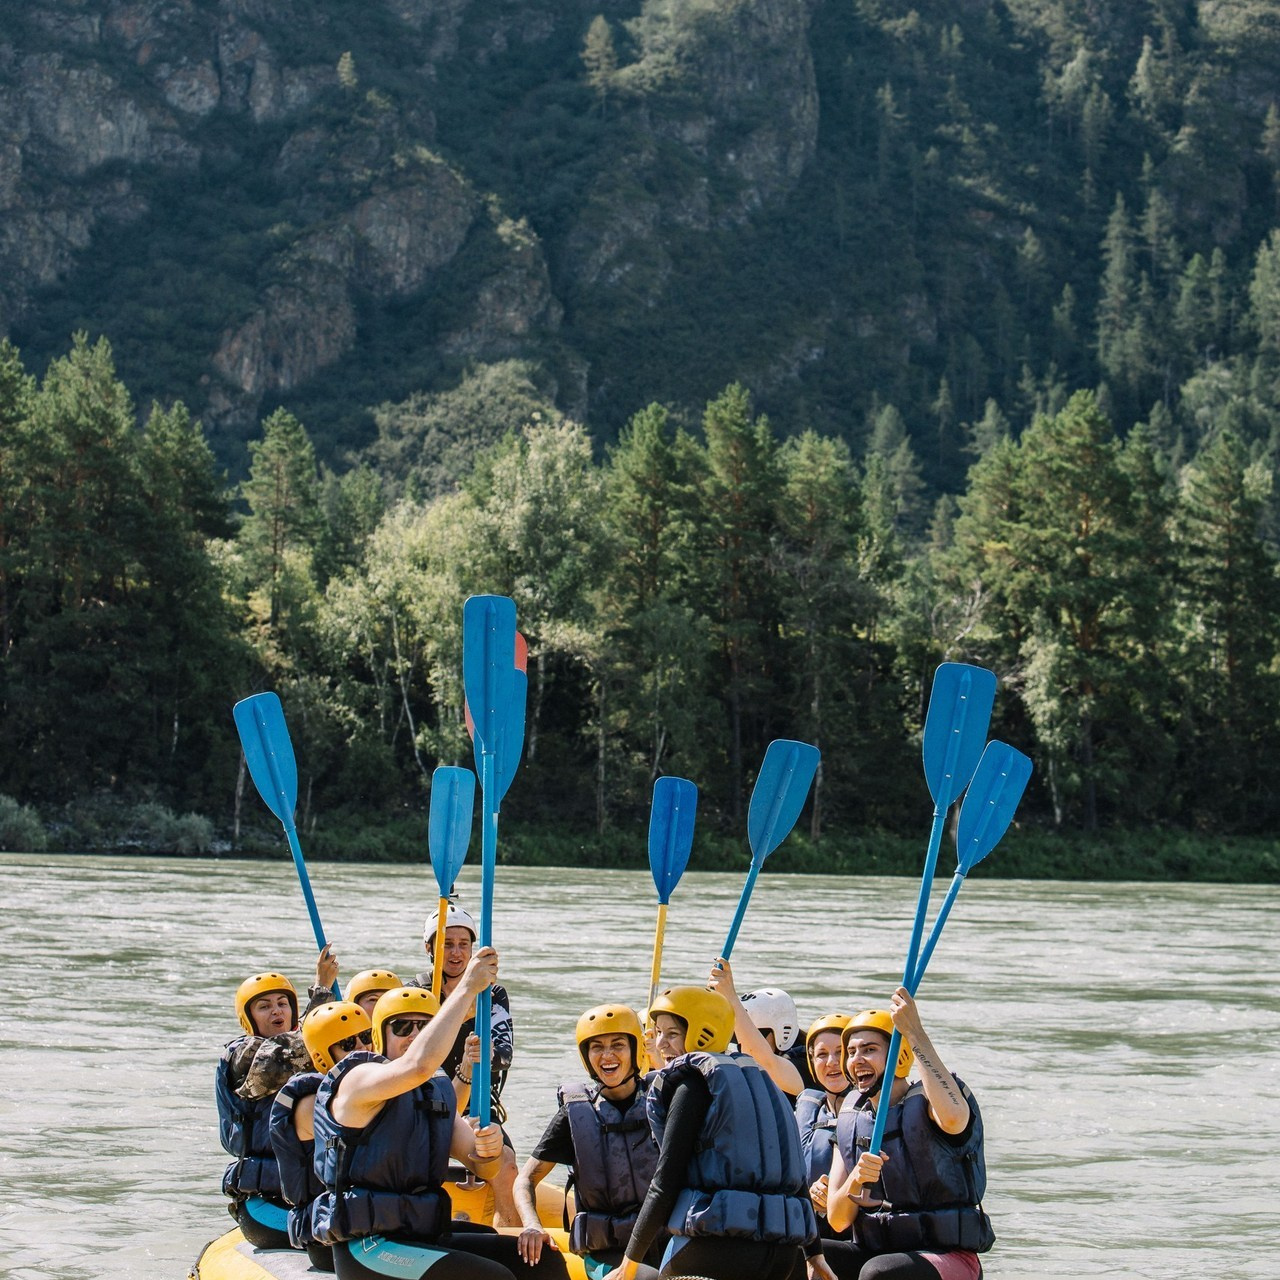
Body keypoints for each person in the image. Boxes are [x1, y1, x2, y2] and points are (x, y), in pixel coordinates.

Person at [310, 962, 527, 1280]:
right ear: (379, 1033)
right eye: (402, 1027)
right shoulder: (358, 1079)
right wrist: (466, 987)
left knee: (536, 1260)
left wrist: (489, 1148)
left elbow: (484, 1167)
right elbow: (419, 1065)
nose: (414, 1035)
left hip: (419, 1237)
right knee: (494, 1277)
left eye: (424, 1028)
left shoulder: (435, 1094)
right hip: (367, 1246)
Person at [603, 986, 829, 1280]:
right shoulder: (764, 1082)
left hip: (718, 1251)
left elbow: (665, 1181)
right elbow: (793, 1175)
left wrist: (629, 1262)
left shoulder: (692, 1086)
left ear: (702, 1032)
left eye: (671, 1034)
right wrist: (814, 1254)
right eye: (657, 1032)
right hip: (782, 1256)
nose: (660, 1043)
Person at [822, 993, 993, 1280]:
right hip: (880, 1254)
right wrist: (857, 1177)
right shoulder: (851, 1119)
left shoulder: (930, 1103)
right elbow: (838, 1220)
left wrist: (914, 1032)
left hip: (946, 1256)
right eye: (851, 1052)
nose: (857, 1060)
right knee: (803, 1252)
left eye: (869, 1050)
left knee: (878, 1274)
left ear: (898, 1057)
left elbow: (954, 1117)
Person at [513, 1004, 663, 1279]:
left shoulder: (664, 1101)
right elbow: (524, 1180)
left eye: (618, 1045)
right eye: (596, 1047)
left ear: (634, 1050)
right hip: (608, 1251)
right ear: (586, 1056)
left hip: (666, 1243)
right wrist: (532, 1225)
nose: (607, 1055)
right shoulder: (576, 1113)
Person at [217, 948, 339, 1248]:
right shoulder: (243, 1056)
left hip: (305, 1193)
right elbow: (293, 1050)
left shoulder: (305, 1051)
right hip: (265, 1205)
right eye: (264, 1006)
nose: (277, 1011)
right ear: (248, 1018)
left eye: (283, 1004)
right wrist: (323, 993)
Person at [411, 902, 519, 1225]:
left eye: (464, 945)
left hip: (478, 1108)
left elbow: (504, 1053)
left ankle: (511, 1241)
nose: (456, 953)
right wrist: (456, 1018)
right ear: (430, 949)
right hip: (422, 1110)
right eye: (447, 944)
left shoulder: (492, 995)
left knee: (507, 1165)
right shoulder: (414, 994)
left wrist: (485, 1051)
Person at [270, 1001, 374, 1269]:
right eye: (348, 1044)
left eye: (366, 1037)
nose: (363, 1049)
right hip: (329, 1237)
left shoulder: (366, 1092)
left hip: (368, 1224)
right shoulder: (311, 1102)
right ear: (320, 1059)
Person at [705, 956, 806, 1097]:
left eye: (756, 1034)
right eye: (739, 1040)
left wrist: (731, 997)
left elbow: (765, 1062)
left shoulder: (806, 1065)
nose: (744, 1047)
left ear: (783, 1033)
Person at [794, 1013, 853, 1237]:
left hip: (857, 1234)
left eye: (840, 1052)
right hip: (813, 1230)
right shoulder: (809, 1109)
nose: (831, 1062)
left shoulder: (878, 1113)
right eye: (822, 1054)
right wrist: (811, 1195)